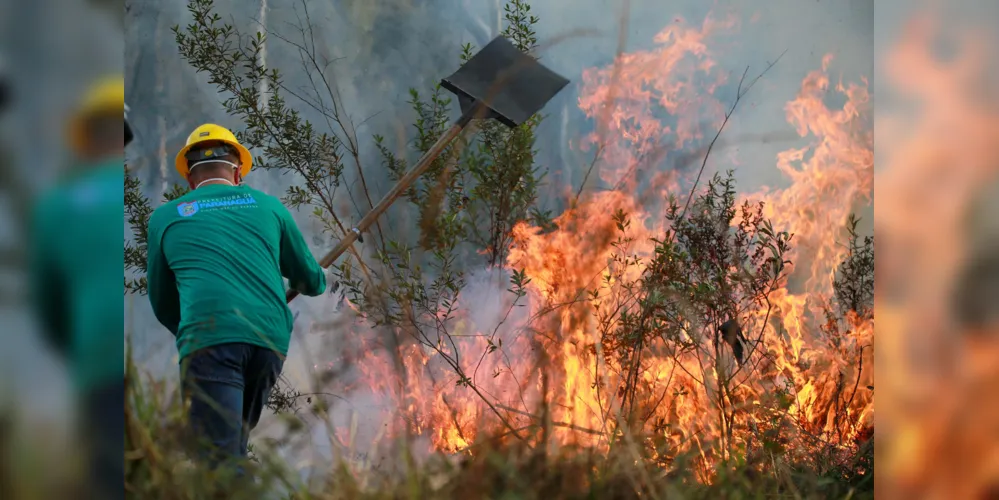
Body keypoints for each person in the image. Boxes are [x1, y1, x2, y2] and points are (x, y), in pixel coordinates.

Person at [145, 123, 326, 474]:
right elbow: (310, 281)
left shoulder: (166, 217)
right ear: (238, 170)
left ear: (190, 178)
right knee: (232, 446)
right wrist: (318, 278)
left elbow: (162, 301)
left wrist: (194, 333)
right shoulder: (269, 207)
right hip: (268, 341)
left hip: (210, 340)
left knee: (220, 458)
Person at [29, 75, 125, 499]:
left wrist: (79, 349)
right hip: (156, 361)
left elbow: (49, 308)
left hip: (99, 360)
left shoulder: (55, 207)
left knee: (108, 477)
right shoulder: (149, 200)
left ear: (85, 140)